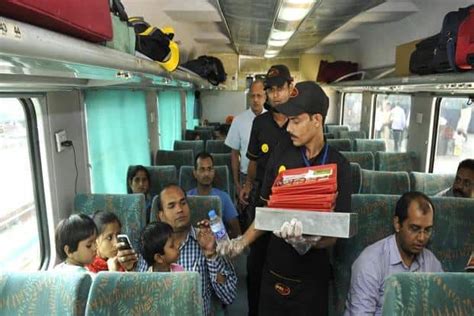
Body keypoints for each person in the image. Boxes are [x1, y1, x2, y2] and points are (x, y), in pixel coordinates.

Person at [219, 81, 352, 315]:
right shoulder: (281, 153)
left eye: (296, 121)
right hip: (277, 268)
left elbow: (336, 233)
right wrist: (241, 242)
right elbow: (266, 211)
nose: (289, 127)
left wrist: (310, 242)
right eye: (288, 120)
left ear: (317, 120)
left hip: (313, 277)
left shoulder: (340, 166)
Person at [239, 65, 294, 316]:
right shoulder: (260, 123)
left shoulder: (299, 121)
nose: (275, 95)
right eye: (270, 90)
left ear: (291, 87)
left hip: (292, 200)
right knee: (256, 262)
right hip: (262, 196)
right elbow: (252, 161)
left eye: (280, 88)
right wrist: (248, 186)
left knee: (285, 262)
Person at [137, 184, 237, 316]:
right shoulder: (152, 245)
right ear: (161, 215)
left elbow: (229, 296)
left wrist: (210, 254)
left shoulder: (207, 239)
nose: (179, 209)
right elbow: (140, 297)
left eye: (183, 203)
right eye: (171, 206)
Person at [345, 192, 443, 315]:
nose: (422, 238)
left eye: (427, 230)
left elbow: (442, 307)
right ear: (397, 224)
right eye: (414, 228)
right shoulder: (370, 263)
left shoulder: (431, 262)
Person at [225, 79, 267, 226]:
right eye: (252, 96)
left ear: (265, 96)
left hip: (266, 177)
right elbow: (234, 154)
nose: (255, 100)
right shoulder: (239, 121)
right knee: (247, 220)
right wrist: (237, 184)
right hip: (245, 177)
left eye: (259, 96)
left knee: (265, 220)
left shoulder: (272, 120)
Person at [188, 152, 241, 238]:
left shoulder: (224, 198)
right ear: (195, 173)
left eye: (209, 169)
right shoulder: (187, 198)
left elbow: (237, 232)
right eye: (202, 169)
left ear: (214, 172)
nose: (206, 174)